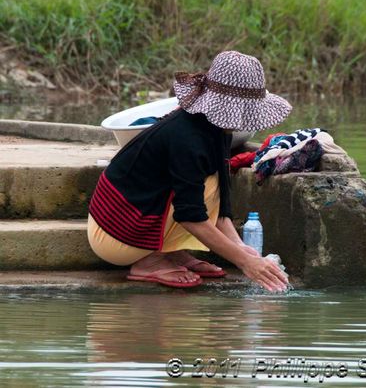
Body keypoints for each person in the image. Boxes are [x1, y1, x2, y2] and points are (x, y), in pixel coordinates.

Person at [87, 50, 292, 291]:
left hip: (137, 218)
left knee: (212, 180)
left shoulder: (216, 129)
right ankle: (149, 261)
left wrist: (240, 248)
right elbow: (190, 215)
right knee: (200, 187)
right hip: (116, 232)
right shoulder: (187, 138)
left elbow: (220, 201)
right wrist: (245, 262)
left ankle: (172, 253)